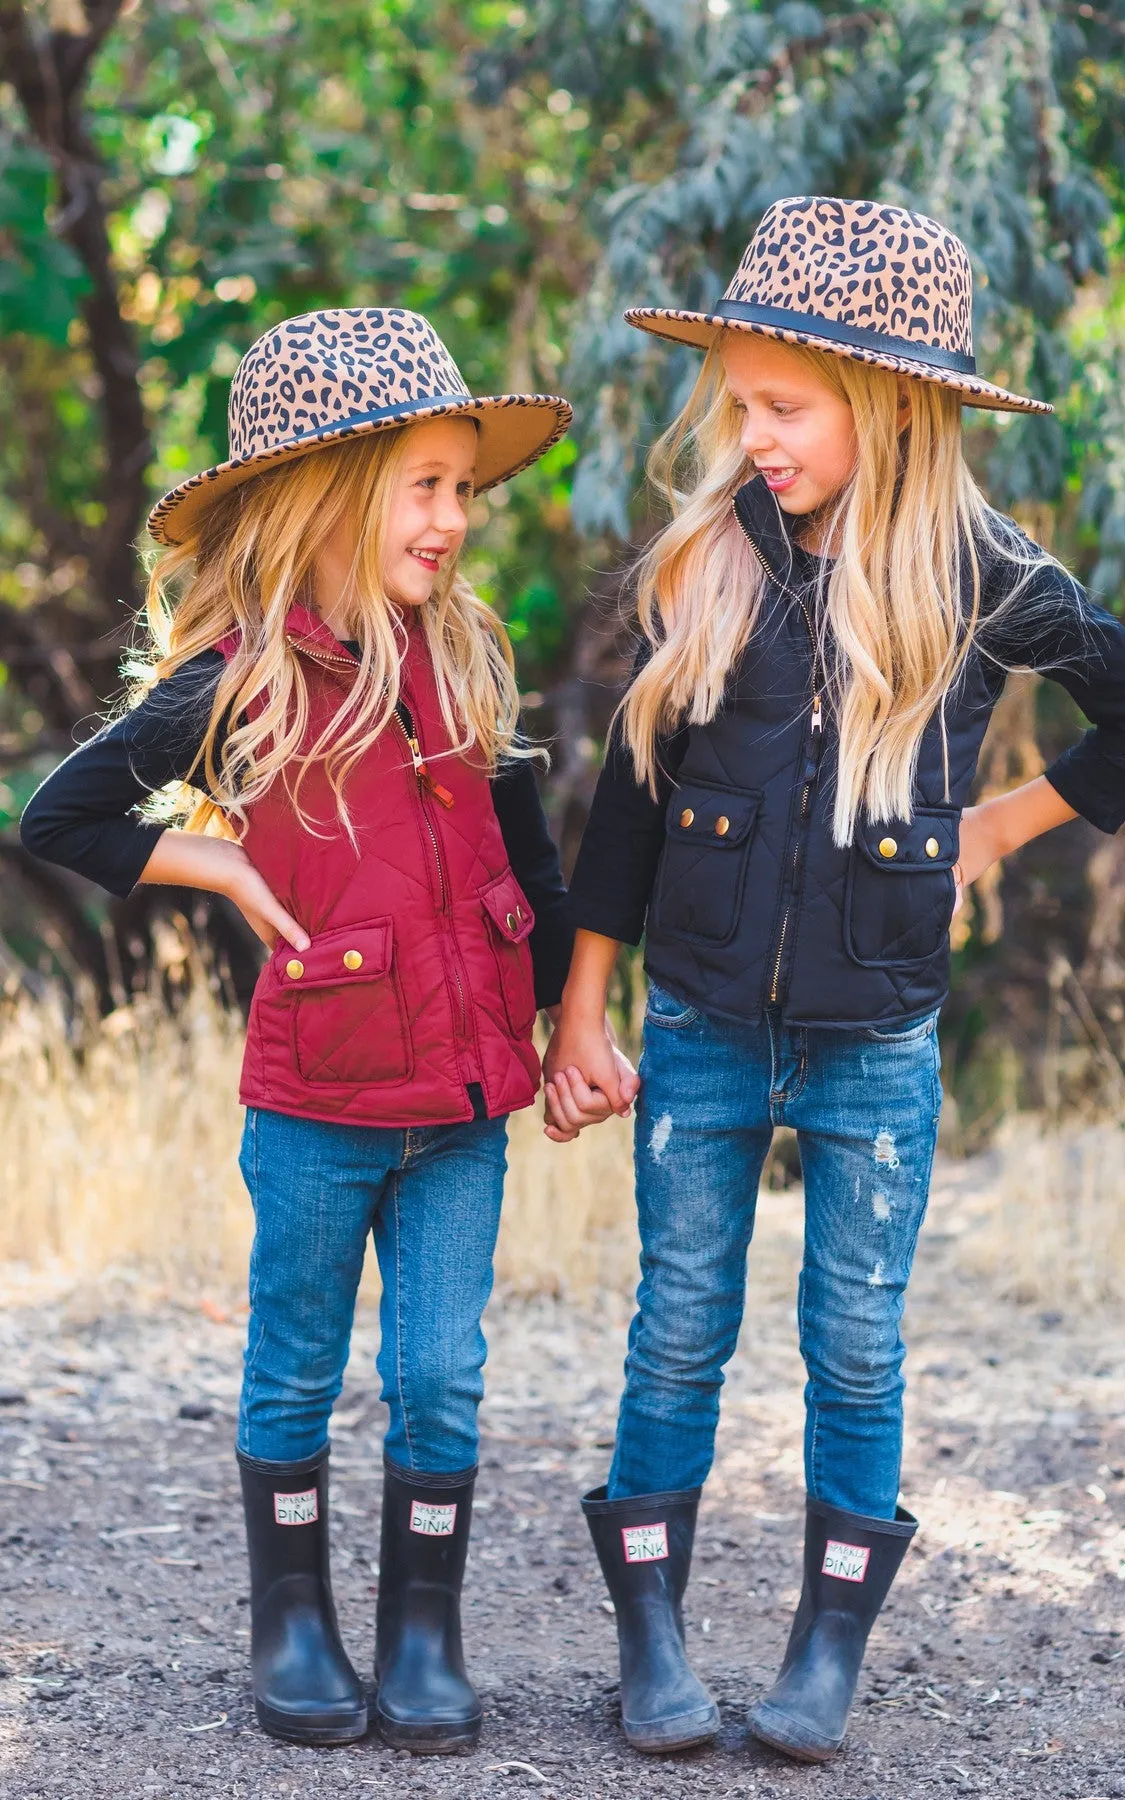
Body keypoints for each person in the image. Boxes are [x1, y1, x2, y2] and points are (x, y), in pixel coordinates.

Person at [541, 197, 1125, 1762]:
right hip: (694, 1024)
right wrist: (578, 1008)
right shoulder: (706, 560)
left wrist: (1002, 826)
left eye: (783, 408)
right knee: (678, 1328)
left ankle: (826, 1651)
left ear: (889, 410)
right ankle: (653, 1636)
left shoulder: (982, 574)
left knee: (856, 1341)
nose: (750, 435)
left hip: (876, 1043)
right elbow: (627, 805)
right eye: (739, 406)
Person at [21, 308, 576, 1755]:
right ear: (330, 495)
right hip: (318, 1110)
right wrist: (203, 857)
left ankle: (422, 1633)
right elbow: (60, 814)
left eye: (466, 487)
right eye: (425, 486)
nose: (455, 519)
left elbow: (534, 873)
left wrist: (574, 1024)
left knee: (444, 1372)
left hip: (462, 1110)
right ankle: (292, 1620)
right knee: (294, 1365)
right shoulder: (241, 682)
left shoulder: (470, 659)